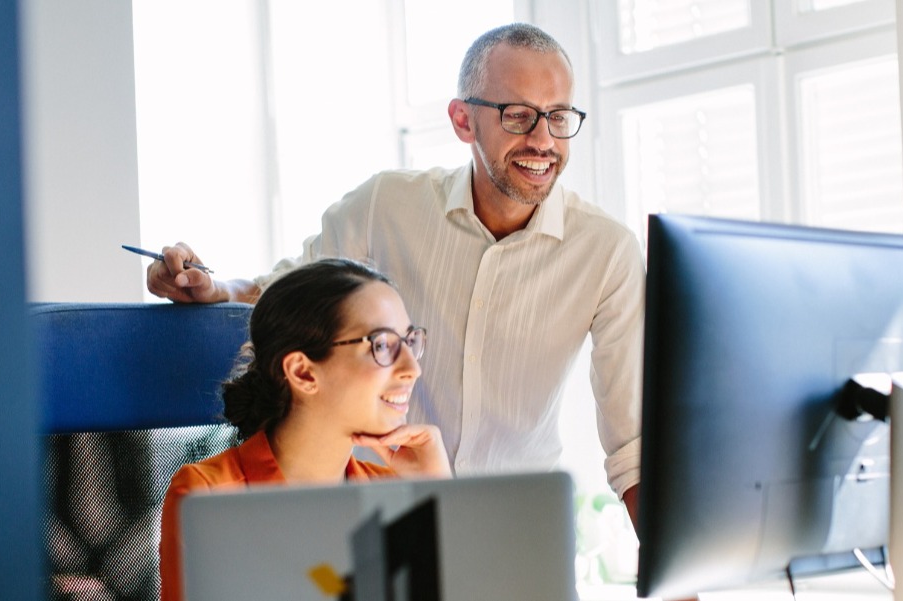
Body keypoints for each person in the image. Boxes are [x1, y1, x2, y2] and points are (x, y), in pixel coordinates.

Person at [146, 23, 645, 524]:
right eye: (518, 116)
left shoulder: (607, 251)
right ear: (463, 120)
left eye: (558, 117)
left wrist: (669, 563)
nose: (543, 140)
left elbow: (634, 448)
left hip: (514, 528)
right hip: (378, 514)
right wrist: (216, 288)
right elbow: (293, 287)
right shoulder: (387, 204)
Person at [157, 258, 451, 601]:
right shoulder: (209, 498)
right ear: (303, 372)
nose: (413, 368)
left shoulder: (390, 492)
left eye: (410, 342)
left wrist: (439, 495)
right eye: (382, 345)